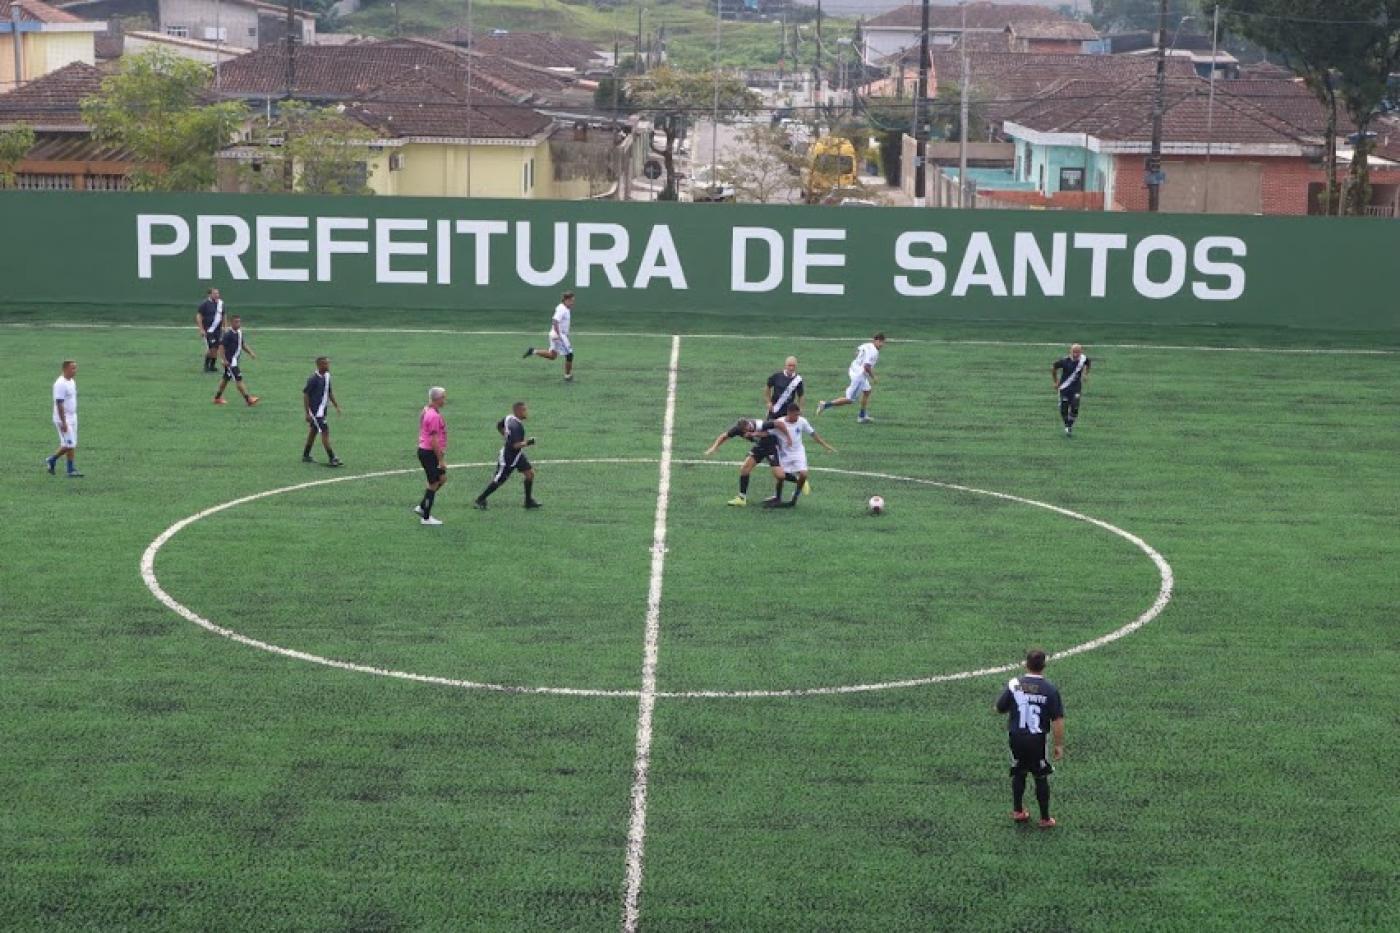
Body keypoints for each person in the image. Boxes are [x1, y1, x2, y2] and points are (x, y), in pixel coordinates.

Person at [994, 649, 1066, 829]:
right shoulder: (1049, 689)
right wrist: (1058, 745)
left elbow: (999, 708)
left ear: (1026, 664)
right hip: (1037, 740)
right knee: (1040, 776)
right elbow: (1057, 720)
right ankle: (1045, 818)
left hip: (1016, 737)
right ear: (1044, 666)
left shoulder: (1014, 684)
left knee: (1019, 771)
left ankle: (1018, 811)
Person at [703, 415, 791, 507]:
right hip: (760, 447)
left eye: (747, 429)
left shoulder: (760, 425)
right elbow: (724, 436)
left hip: (771, 447)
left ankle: (799, 480)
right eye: (743, 431)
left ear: (749, 425)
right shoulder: (738, 429)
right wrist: (713, 448)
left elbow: (779, 424)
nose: (745, 432)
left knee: (779, 475)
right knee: (744, 469)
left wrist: (788, 437)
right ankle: (741, 498)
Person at [765, 403, 835, 508]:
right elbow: (766, 432)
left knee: (803, 474)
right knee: (780, 477)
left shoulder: (802, 421)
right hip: (784, 453)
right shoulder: (779, 423)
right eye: (795, 415)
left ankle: (794, 498)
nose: (797, 417)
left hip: (798, 452)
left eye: (798, 414)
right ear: (788, 413)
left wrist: (825, 446)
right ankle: (777, 497)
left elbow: (813, 434)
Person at [474, 402, 541, 510]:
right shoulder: (516, 427)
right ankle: (480, 499)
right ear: (518, 411)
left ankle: (528, 501)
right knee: (499, 480)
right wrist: (529, 442)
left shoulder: (509, 418)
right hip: (508, 457)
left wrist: (506, 436)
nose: (526, 412)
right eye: (524, 410)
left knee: (530, 474)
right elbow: (515, 445)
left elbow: (499, 425)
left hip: (517, 455)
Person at [816, 332, 885, 423]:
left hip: (853, 369)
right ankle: (825, 405)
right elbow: (867, 367)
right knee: (849, 400)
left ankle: (862, 415)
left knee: (867, 391)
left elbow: (856, 351)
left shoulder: (867, 345)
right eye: (881, 342)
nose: (882, 345)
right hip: (859, 376)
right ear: (876, 340)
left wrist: (859, 360)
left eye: (883, 342)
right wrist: (874, 377)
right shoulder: (874, 352)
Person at [414, 387, 448, 526]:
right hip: (429, 453)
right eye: (443, 397)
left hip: (427, 451)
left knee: (442, 479)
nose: (445, 400)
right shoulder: (433, 416)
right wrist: (440, 460)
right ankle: (426, 517)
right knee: (433, 483)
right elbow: (433, 440)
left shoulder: (427, 409)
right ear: (437, 399)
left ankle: (422, 506)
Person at [523, 291, 575, 381]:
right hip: (558, 335)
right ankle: (567, 376)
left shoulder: (564, 308)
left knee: (552, 356)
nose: (572, 302)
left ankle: (533, 351)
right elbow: (555, 321)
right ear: (566, 300)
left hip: (555, 334)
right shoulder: (562, 309)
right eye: (571, 300)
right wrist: (559, 335)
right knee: (570, 355)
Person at [302, 356, 343, 467]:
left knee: (314, 431)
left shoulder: (327, 376)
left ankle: (306, 455)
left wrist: (336, 406)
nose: (328, 366)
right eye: (326, 364)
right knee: (325, 432)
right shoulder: (313, 379)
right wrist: (307, 413)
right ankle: (332, 457)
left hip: (322, 411)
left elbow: (329, 391)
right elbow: (306, 395)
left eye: (328, 363)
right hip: (316, 413)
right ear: (319, 365)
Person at [213, 315, 260, 407]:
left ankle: (217, 398)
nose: (238, 323)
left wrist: (250, 353)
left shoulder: (239, 332)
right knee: (239, 379)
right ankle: (248, 399)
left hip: (234, 360)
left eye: (239, 321)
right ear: (231, 323)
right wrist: (224, 360)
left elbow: (242, 344)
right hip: (230, 362)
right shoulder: (228, 335)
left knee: (226, 378)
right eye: (236, 322)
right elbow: (221, 348)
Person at [45, 359, 81, 478]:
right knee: (69, 444)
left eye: (75, 368)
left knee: (72, 444)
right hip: (63, 418)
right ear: (65, 369)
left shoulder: (71, 381)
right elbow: (59, 404)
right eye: (73, 368)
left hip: (72, 417)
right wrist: (63, 422)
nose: (75, 370)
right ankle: (52, 459)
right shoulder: (60, 384)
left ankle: (70, 470)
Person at [1052, 344, 1091, 437]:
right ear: (1070, 351)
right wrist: (1056, 381)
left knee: (1075, 406)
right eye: (1074, 352)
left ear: (1081, 352)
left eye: (1078, 352)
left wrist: (1085, 374)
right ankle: (1066, 424)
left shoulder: (1083, 359)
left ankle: (1069, 426)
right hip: (1064, 388)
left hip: (1076, 388)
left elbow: (1088, 364)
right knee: (1064, 407)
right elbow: (1054, 368)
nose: (1076, 354)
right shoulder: (1064, 361)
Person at [195, 288, 225, 373]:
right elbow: (199, 316)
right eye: (215, 293)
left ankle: (212, 366)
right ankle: (206, 366)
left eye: (218, 293)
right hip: (209, 330)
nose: (217, 295)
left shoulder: (221, 303)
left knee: (216, 348)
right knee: (211, 348)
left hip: (218, 330)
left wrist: (225, 327)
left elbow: (224, 315)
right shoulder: (205, 304)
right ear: (210, 294)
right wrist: (201, 329)